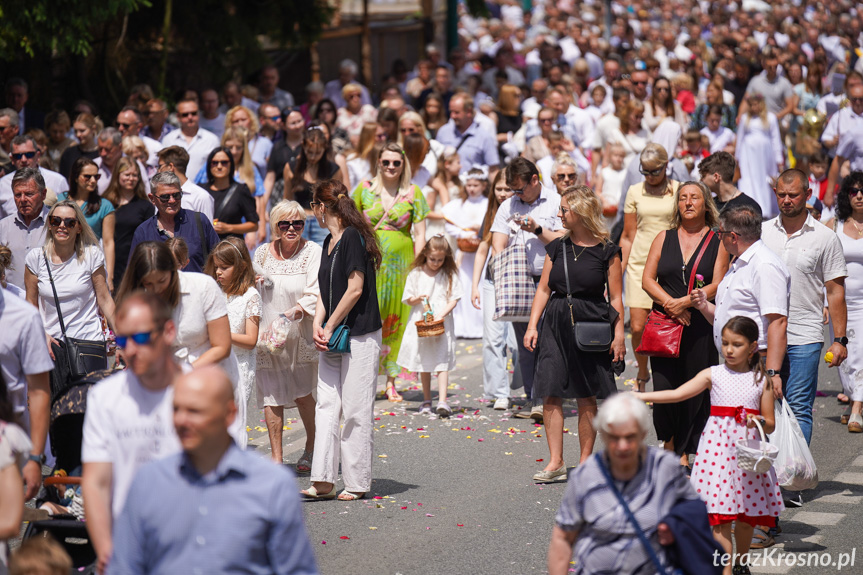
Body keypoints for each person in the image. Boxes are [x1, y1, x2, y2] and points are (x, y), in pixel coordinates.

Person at [108, 365, 317, 575]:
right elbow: (125, 566)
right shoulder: (148, 481)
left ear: (229, 414)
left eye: (195, 411)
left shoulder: (271, 485)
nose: (181, 421)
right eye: (175, 409)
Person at [640, 316, 784, 575]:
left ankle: (741, 562)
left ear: (752, 347)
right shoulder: (713, 374)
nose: (729, 350)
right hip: (716, 452)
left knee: (744, 516)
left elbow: (770, 424)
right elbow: (677, 394)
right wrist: (640, 396)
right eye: (725, 343)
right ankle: (725, 569)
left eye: (737, 344)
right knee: (720, 517)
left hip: (746, 455)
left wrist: (758, 420)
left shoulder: (761, 380)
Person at [525, 185, 625, 480]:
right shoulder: (556, 247)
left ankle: (584, 462)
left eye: (564, 210)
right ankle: (555, 462)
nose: (559, 215)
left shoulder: (607, 250)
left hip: (592, 322)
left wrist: (619, 334)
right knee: (550, 390)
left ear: (580, 212)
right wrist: (533, 325)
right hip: (556, 320)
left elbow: (616, 298)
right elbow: (544, 288)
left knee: (586, 393)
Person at [81, 291, 182, 574]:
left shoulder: (198, 390)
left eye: (139, 338)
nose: (130, 350)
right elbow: (96, 483)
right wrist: (106, 551)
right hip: (129, 549)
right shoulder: (105, 397)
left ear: (168, 331)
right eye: (122, 341)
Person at [548, 393, 701, 575]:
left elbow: (695, 521)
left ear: (643, 434)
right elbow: (563, 537)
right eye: (614, 437)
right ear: (603, 435)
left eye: (630, 437)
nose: (622, 446)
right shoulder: (586, 475)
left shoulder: (666, 469)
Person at [303, 180, 382, 502]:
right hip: (333, 334)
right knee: (326, 406)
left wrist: (331, 324)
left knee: (354, 410)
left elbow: (355, 288)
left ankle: (357, 480)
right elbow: (326, 290)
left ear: (321, 208)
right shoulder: (328, 242)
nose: (314, 212)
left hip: (359, 334)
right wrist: (318, 323)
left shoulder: (351, 237)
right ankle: (322, 479)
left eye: (313, 206)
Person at [642, 181, 728, 467]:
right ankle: (669, 443)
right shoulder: (663, 237)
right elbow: (647, 280)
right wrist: (672, 304)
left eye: (694, 198)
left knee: (696, 389)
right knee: (665, 384)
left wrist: (688, 303)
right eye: (682, 198)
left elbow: (719, 282)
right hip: (665, 324)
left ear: (706, 204)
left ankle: (688, 450)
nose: (688, 203)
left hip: (700, 324)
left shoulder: (717, 240)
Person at [761, 169, 848, 446]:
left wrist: (839, 340)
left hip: (805, 335)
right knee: (766, 405)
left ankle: (794, 478)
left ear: (808, 195)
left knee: (798, 407)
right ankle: (768, 478)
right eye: (781, 195)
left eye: (793, 195)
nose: (786, 200)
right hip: (764, 336)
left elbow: (835, 292)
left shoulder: (825, 238)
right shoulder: (761, 233)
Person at [352, 142, 428, 399]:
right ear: (378, 163)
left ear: (403, 164)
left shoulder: (413, 192)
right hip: (369, 264)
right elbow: (348, 221)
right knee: (368, 319)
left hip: (401, 267)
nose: (391, 167)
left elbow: (420, 234)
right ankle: (367, 379)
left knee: (398, 321)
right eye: (386, 162)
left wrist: (419, 270)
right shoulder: (364, 189)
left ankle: (391, 381)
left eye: (396, 162)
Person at [491, 157, 563, 419]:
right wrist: (504, 266)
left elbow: (563, 238)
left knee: (545, 338)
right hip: (519, 282)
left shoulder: (555, 201)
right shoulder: (509, 204)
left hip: (548, 281)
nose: (516, 194)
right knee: (526, 343)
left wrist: (537, 228)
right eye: (513, 190)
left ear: (535, 180)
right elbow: (497, 240)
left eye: (520, 189)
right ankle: (533, 397)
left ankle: (543, 399)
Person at [116, 241, 239, 392]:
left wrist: (184, 371)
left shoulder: (203, 286)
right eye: (148, 284)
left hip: (213, 380)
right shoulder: (140, 302)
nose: (156, 289)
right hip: (168, 385)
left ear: (173, 271)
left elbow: (222, 347)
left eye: (162, 281)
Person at [253, 201, 320, 471]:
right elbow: (249, 288)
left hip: (299, 331)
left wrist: (293, 312)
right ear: (275, 225)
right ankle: (277, 458)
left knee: (303, 394)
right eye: (285, 224)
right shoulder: (261, 253)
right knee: (271, 395)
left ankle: (312, 447)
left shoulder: (312, 251)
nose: (291, 228)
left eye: (298, 223)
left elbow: (316, 292)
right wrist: (252, 284)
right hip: (268, 335)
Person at [24, 200, 115, 371]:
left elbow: (105, 300)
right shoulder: (35, 258)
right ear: (49, 224)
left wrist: (124, 341)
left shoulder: (92, 255)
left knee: (88, 397)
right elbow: (31, 304)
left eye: (70, 222)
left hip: (88, 343)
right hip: (51, 345)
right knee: (53, 398)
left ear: (79, 227)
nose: (62, 226)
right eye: (56, 221)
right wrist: (40, 334)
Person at [620, 144, 680, 391]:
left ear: (666, 167)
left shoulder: (678, 190)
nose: (649, 177)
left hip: (669, 262)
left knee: (666, 324)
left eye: (654, 171)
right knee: (637, 326)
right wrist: (617, 270)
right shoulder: (635, 191)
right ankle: (643, 371)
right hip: (639, 261)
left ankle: (665, 377)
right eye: (644, 172)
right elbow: (627, 234)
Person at [204, 237, 261, 449]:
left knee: (233, 421)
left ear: (241, 267)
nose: (218, 272)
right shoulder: (215, 292)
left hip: (240, 367)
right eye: (216, 267)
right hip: (215, 364)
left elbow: (251, 340)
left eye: (224, 268)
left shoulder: (251, 296)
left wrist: (222, 333)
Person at [397, 235, 461, 416]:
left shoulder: (448, 274)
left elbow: (454, 298)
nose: (436, 263)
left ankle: (442, 400)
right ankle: (426, 399)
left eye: (440, 260)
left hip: (442, 323)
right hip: (421, 322)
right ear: (425, 253)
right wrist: (418, 298)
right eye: (433, 259)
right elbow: (408, 299)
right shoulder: (416, 273)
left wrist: (440, 315)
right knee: (424, 361)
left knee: (442, 360)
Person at [470, 171, 518, 410]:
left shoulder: (522, 210)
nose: (502, 194)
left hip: (520, 282)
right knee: (492, 340)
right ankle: (500, 392)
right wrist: (475, 285)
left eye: (507, 189)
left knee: (518, 343)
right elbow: (482, 250)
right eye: (498, 189)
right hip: (492, 282)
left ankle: (524, 382)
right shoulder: (491, 213)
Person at [826, 172, 863, 431]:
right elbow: (822, 266)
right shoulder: (833, 225)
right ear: (846, 195)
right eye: (853, 191)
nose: (859, 196)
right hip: (840, 302)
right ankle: (854, 400)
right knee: (845, 356)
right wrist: (823, 302)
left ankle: (857, 409)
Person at [128, 171, 219, 274]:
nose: (172, 200)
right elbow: (134, 272)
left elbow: (218, 260)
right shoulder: (143, 232)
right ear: (152, 199)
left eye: (176, 195)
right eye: (165, 197)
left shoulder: (199, 221)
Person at [442, 167, 488, 339]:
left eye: (475, 185)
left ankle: (481, 326)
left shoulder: (487, 203)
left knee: (482, 285)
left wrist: (479, 232)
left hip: (482, 252)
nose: (471, 188)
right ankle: (465, 326)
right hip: (465, 254)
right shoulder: (459, 205)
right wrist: (464, 234)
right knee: (465, 285)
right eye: (469, 185)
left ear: (483, 185)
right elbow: (449, 225)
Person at [102, 157, 152, 291]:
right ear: (117, 175)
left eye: (135, 175)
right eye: (127, 174)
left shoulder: (145, 206)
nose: (131, 178)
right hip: (109, 262)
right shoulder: (106, 203)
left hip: (134, 263)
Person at [285, 127, 342, 245]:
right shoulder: (291, 167)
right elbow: (287, 199)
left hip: (323, 221)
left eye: (317, 153)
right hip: (298, 220)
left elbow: (338, 202)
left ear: (324, 149)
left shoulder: (333, 170)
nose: (313, 157)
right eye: (309, 152)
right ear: (303, 147)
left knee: (323, 257)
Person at [735, 92, 783, 219]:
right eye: (752, 105)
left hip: (764, 154)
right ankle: (747, 207)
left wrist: (779, 159)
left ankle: (764, 208)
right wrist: (737, 157)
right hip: (748, 154)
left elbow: (775, 138)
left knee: (763, 180)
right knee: (748, 179)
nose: (754, 107)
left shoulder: (770, 118)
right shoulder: (746, 118)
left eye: (756, 104)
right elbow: (740, 138)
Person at [0, 167, 50, 289]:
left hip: (47, 303)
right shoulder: (3, 226)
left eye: (29, 194)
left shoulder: (56, 224)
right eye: (18, 195)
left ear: (43, 194)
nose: (22, 200)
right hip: (13, 302)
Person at [0, 135, 68, 218]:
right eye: (18, 156)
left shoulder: (57, 180)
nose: (23, 159)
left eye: (29, 154)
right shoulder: (2, 184)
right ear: (12, 159)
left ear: (38, 155)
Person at [435, 94, 500, 177]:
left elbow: (493, 169)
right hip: (446, 187)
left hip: (472, 187)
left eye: (456, 112)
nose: (452, 116)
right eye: (451, 111)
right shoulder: (443, 132)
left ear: (468, 112)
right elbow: (436, 163)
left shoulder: (484, 136)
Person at [203, 147, 259, 241]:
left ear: (231, 164)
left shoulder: (241, 190)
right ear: (209, 165)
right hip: (206, 248)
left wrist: (228, 228)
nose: (219, 166)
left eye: (224, 162)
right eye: (215, 163)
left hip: (231, 247)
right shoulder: (201, 190)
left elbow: (254, 225)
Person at [159, 99, 220, 180]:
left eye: (194, 113)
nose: (190, 117)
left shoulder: (212, 140)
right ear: (178, 117)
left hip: (204, 190)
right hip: (174, 189)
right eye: (185, 114)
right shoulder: (168, 140)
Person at [58, 157, 115, 243]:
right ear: (76, 177)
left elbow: (108, 242)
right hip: (61, 253)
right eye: (87, 176)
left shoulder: (104, 206)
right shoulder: (59, 200)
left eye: (96, 177)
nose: (93, 180)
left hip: (90, 254)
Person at [155, 146, 215, 222]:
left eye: (160, 166)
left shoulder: (201, 197)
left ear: (170, 167)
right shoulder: (159, 195)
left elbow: (207, 231)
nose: (158, 171)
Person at [699, 152, 762, 216]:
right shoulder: (709, 207)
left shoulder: (749, 207)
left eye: (703, 176)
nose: (701, 180)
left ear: (716, 177)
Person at [224, 105, 273, 179]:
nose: (240, 124)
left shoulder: (265, 143)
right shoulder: (226, 144)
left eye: (243, 120)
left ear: (251, 121)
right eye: (236, 121)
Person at [58, 113, 101, 180]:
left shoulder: (101, 153)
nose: (78, 134)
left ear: (93, 129)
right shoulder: (69, 153)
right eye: (75, 131)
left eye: (82, 131)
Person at [594, 142, 627, 229]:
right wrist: (604, 201)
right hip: (606, 209)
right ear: (610, 156)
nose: (618, 158)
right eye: (616, 155)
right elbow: (598, 191)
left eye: (621, 156)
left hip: (620, 208)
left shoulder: (625, 172)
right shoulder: (604, 172)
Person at [335, 84, 378, 148]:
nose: (356, 99)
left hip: (368, 146)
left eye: (358, 95)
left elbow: (377, 129)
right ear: (345, 98)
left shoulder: (369, 110)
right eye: (351, 96)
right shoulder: (340, 113)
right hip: (346, 148)